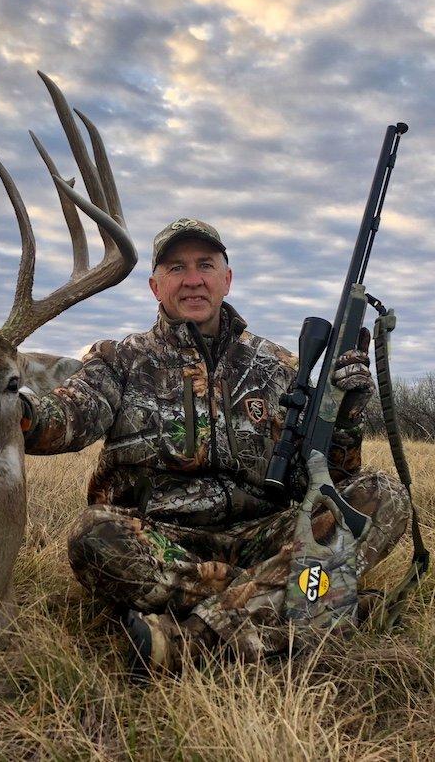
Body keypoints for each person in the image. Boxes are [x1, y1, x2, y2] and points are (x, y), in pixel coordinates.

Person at [21, 217, 411, 672]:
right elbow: (69, 416)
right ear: (154, 285)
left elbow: (326, 479)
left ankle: (194, 640)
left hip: (264, 535)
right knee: (93, 535)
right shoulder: (119, 360)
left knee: (381, 495)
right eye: (176, 268)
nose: (192, 280)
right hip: (163, 543)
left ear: (227, 278)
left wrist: (345, 413)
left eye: (205, 265)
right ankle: (303, 602)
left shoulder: (280, 366)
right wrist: (20, 412)